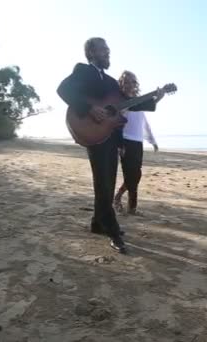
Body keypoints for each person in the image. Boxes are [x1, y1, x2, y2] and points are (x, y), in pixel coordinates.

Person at [56, 38, 164, 253]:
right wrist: (88, 108)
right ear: (91, 53)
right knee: (103, 183)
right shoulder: (83, 71)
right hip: (92, 131)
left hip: (110, 136)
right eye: (103, 50)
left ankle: (98, 224)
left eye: (108, 50)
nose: (108, 53)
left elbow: (128, 103)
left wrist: (155, 98)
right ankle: (113, 231)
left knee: (109, 181)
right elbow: (63, 90)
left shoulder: (112, 82)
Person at [114, 71, 163, 215]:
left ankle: (118, 197)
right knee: (130, 176)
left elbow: (144, 123)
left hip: (137, 142)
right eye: (127, 82)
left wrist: (152, 140)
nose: (130, 85)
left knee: (136, 175)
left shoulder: (139, 103)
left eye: (133, 82)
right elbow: (117, 121)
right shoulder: (121, 101)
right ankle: (131, 208)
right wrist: (119, 144)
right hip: (125, 141)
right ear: (121, 84)